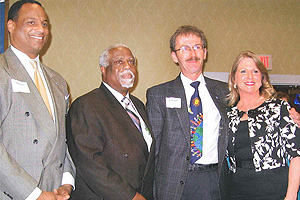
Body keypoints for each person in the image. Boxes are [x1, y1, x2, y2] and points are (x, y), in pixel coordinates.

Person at [0, 0, 75, 199]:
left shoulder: (58, 81)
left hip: (53, 192)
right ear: (11, 25)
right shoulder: (2, 70)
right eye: (31, 22)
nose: (40, 29)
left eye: (44, 23)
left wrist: (66, 181)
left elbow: (63, 138)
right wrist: (33, 194)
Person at [146, 25, 229, 200]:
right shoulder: (158, 94)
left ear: (205, 53)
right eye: (184, 48)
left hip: (213, 179)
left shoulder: (224, 91)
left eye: (197, 47)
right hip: (172, 183)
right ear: (174, 56)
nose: (192, 53)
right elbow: (153, 148)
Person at [66, 44, 155, 200]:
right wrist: (130, 196)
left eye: (131, 62)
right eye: (119, 62)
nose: (128, 66)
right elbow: (90, 163)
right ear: (103, 69)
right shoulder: (87, 105)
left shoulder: (139, 105)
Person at [226, 50, 300, 200]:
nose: (250, 76)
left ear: (262, 77)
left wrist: (291, 195)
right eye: (243, 71)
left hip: (274, 190)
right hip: (236, 190)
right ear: (234, 78)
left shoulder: (279, 108)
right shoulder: (227, 114)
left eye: (255, 71)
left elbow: (296, 155)